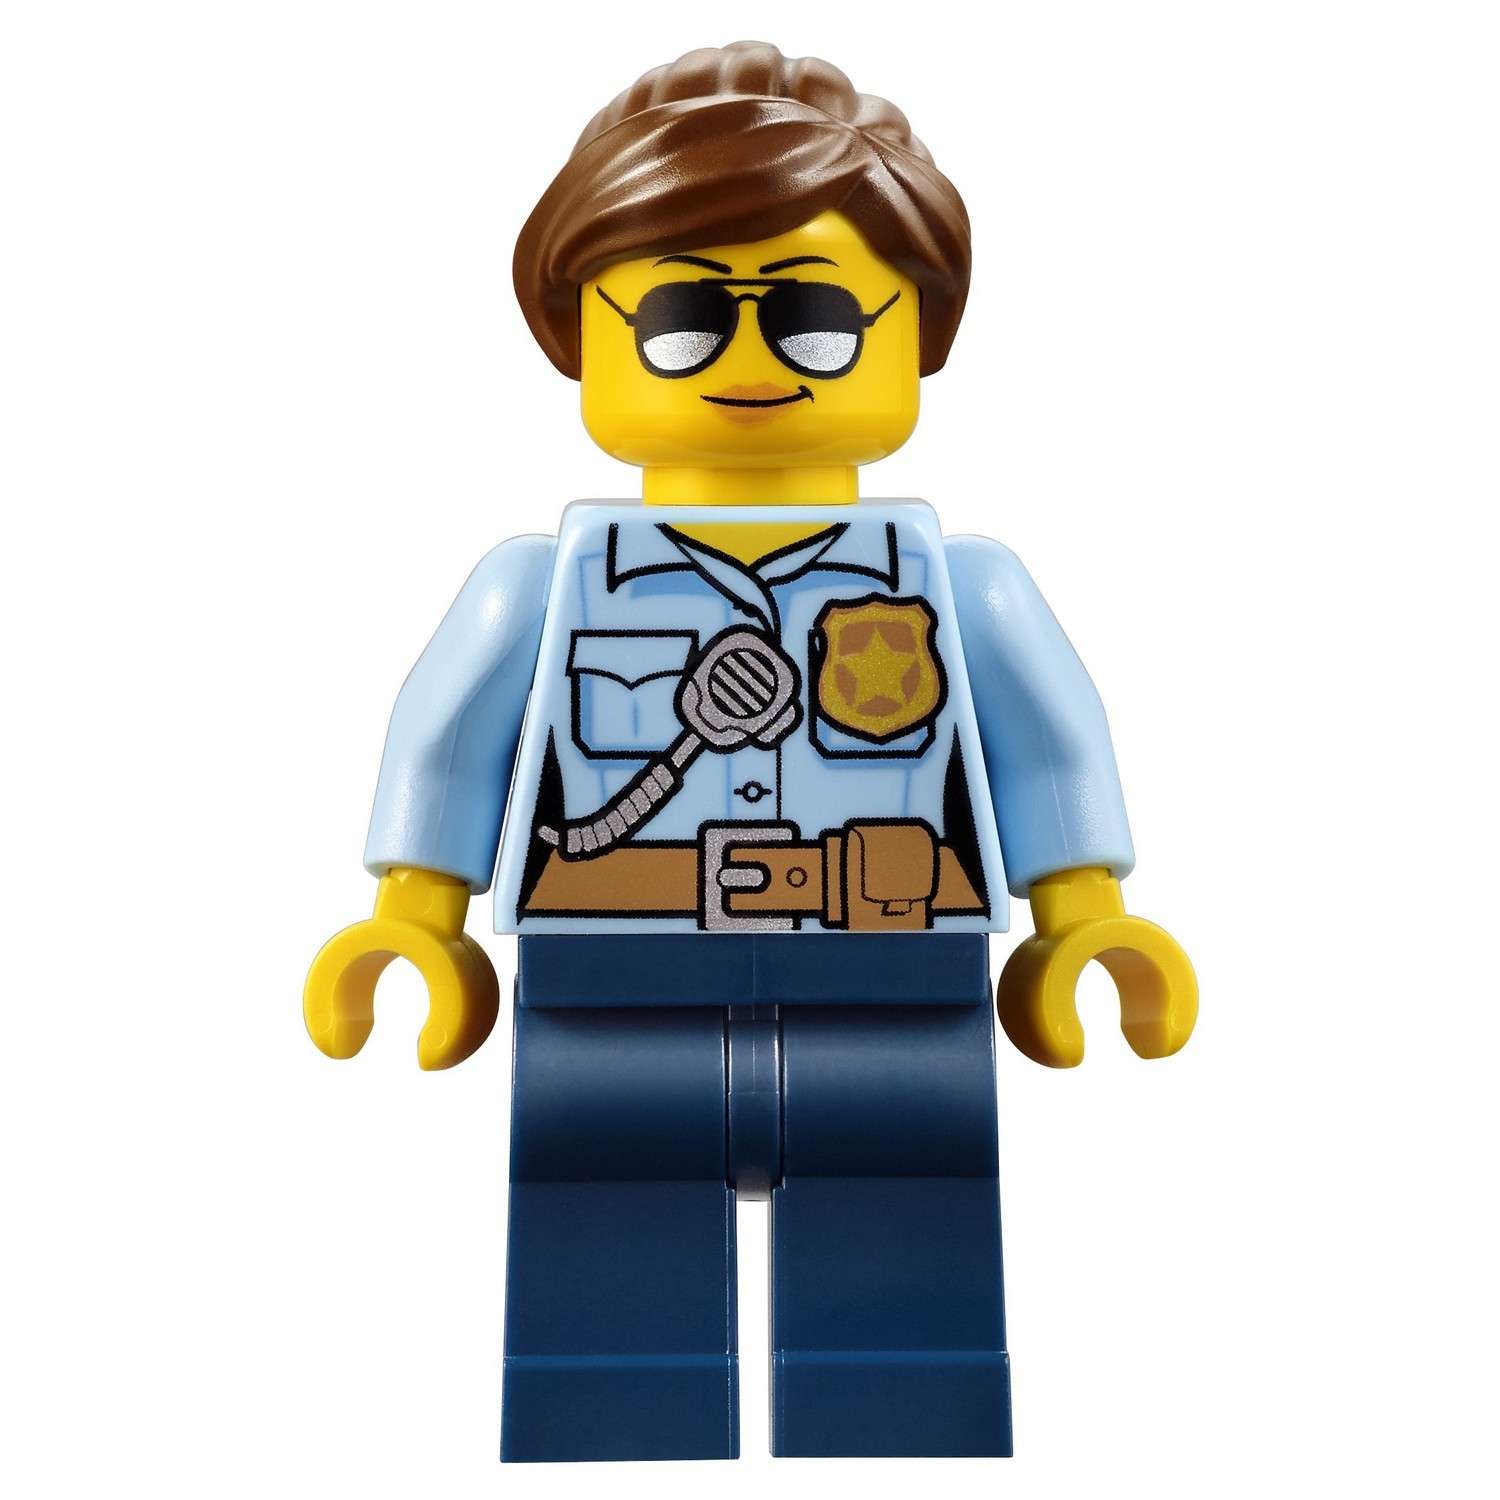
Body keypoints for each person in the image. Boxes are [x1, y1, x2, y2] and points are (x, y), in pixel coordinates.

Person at [305, 40, 1197, 1461]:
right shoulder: (540, 585)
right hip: (610, 968)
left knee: (910, 1199)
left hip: (895, 970)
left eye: (818, 319)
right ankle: (615, 1419)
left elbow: (1045, 743)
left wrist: (1081, 918)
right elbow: (451, 740)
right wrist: (415, 919)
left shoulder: (959, 585)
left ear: (918, 332)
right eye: (677, 320)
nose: (748, 362)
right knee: (601, 1205)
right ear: (580, 336)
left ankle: (898, 1424)